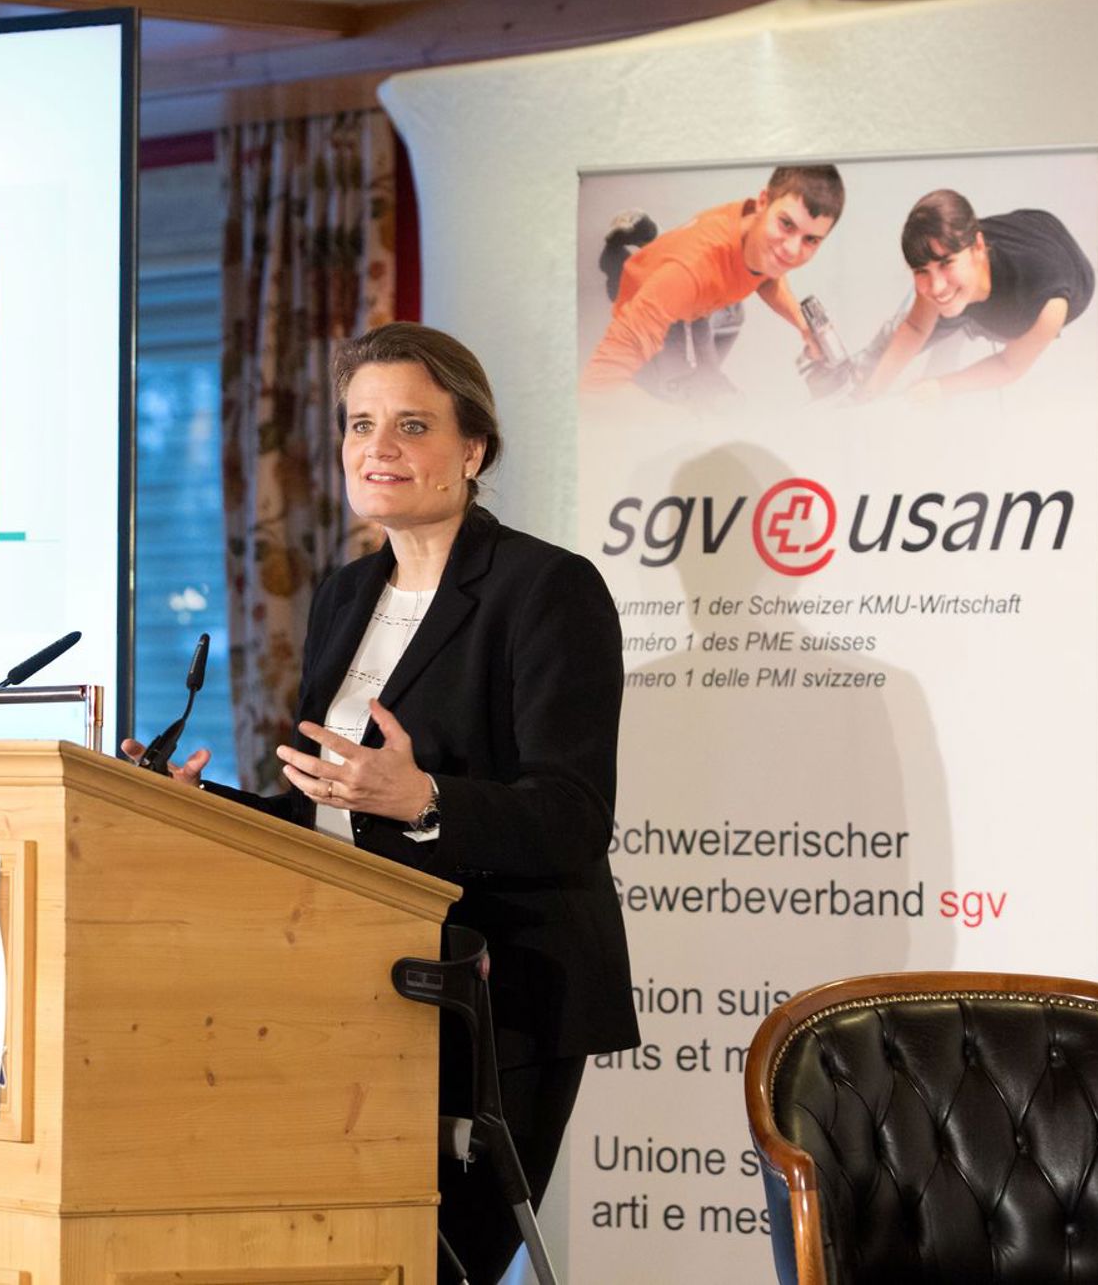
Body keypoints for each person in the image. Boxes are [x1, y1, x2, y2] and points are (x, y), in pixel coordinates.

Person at [124, 321, 638, 1283]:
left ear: (473, 449)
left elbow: (574, 818)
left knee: (437, 1268)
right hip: (352, 979)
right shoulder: (345, 593)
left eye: (412, 425)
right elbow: (330, 814)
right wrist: (193, 808)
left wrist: (427, 798)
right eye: (360, 425)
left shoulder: (548, 590)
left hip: (495, 991)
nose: (378, 449)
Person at [580, 165, 844, 393]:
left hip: (697, 279)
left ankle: (649, 235)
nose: (792, 250)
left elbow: (768, 274)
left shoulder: (757, 229)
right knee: (687, 387)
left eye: (811, 239)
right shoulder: (689, 272)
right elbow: (597, 385)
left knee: (732, 314)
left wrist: (803, 324)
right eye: (786, 224)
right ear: (763, 202)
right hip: (669, 305)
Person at [857, 189, 1096, 400]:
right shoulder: (942, 257)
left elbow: (1009, 366)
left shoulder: (1046, 304)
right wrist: (871, 391)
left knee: (948, 360)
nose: (936, 287)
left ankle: (952, 347)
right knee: (898, 335)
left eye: (946, 263)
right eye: (921, 270)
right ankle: (855, 382)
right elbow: (916, 327)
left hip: (1054, 278)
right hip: (1026, 231)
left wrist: (943, 385)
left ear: (978, 248)